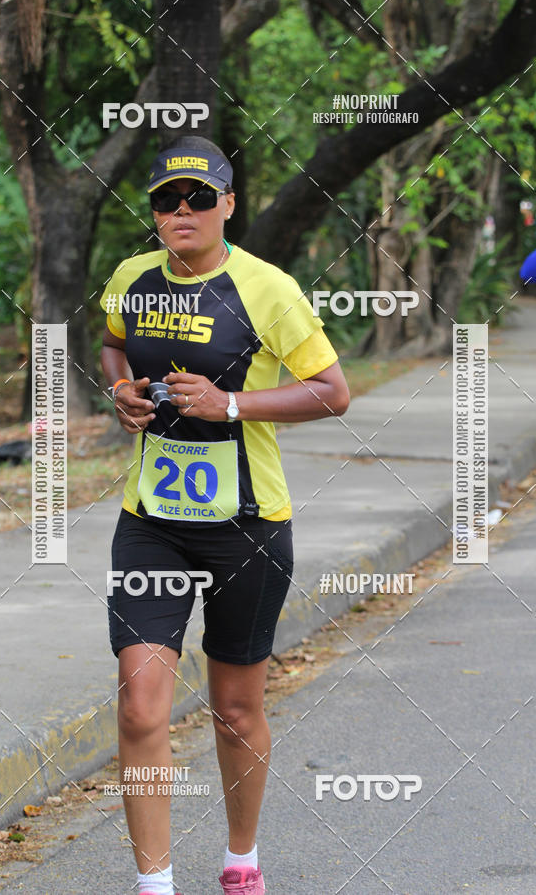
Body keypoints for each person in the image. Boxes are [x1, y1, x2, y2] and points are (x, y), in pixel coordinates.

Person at [100, 134, 350, 895]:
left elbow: (332, 391)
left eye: (199, 197)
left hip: (249, 528)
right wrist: (121, 389)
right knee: (141, 706)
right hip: (152, 523)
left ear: (227, 206)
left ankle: (241, 859)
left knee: (236, 711)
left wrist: (231, 403)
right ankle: (155, 884)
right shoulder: (131, 278)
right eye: (167, 199)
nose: (182, 211)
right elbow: (112, 343)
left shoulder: (268, 289)